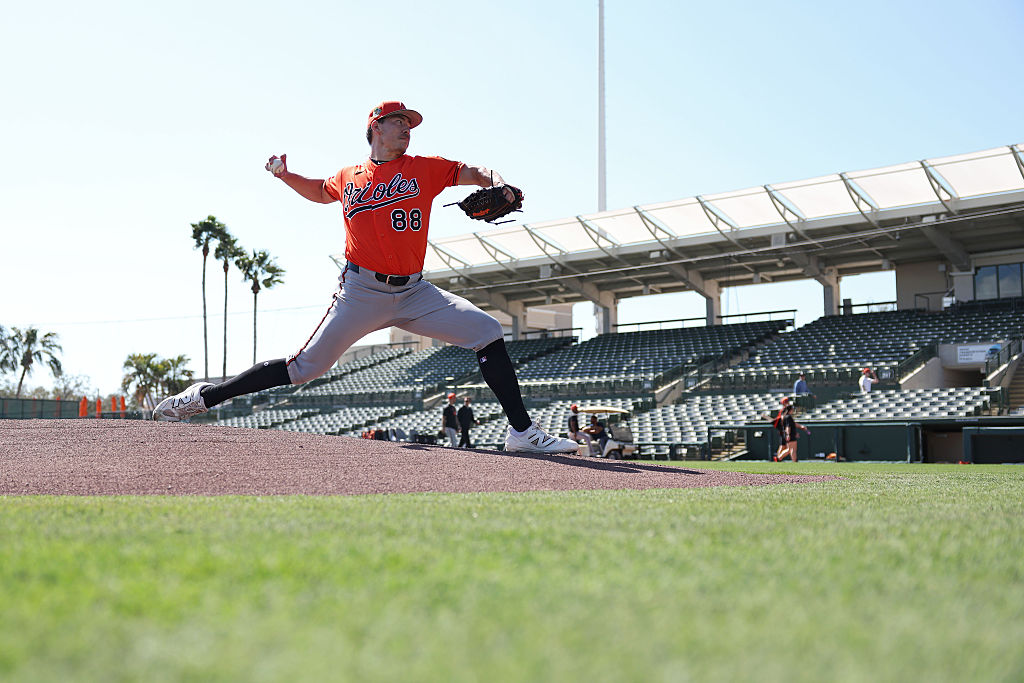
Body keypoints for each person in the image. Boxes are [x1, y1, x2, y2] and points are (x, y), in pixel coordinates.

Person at [152, 100, 577, 454]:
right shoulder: (349, 176)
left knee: (486, 329)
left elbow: (476, 173)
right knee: (304, 367)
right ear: (375, 127)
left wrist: (500, 183)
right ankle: (204, 397)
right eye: (398, 122)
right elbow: (320, 191)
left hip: (415, 292)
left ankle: (522, 433)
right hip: (361, 291)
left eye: (410, 124)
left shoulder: (425, 168)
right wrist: (284, 176)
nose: (407, 128)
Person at [772, 397, 809, 462]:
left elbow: (791, 424)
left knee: (789, 448)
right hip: (786, 433)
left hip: (787, 433)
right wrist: (788, 434)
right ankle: (779, 458)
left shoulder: (786, 415)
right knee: (789, 448)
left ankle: (779, 458)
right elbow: (787, 426)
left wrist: (799, 427)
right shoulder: (786, 415)